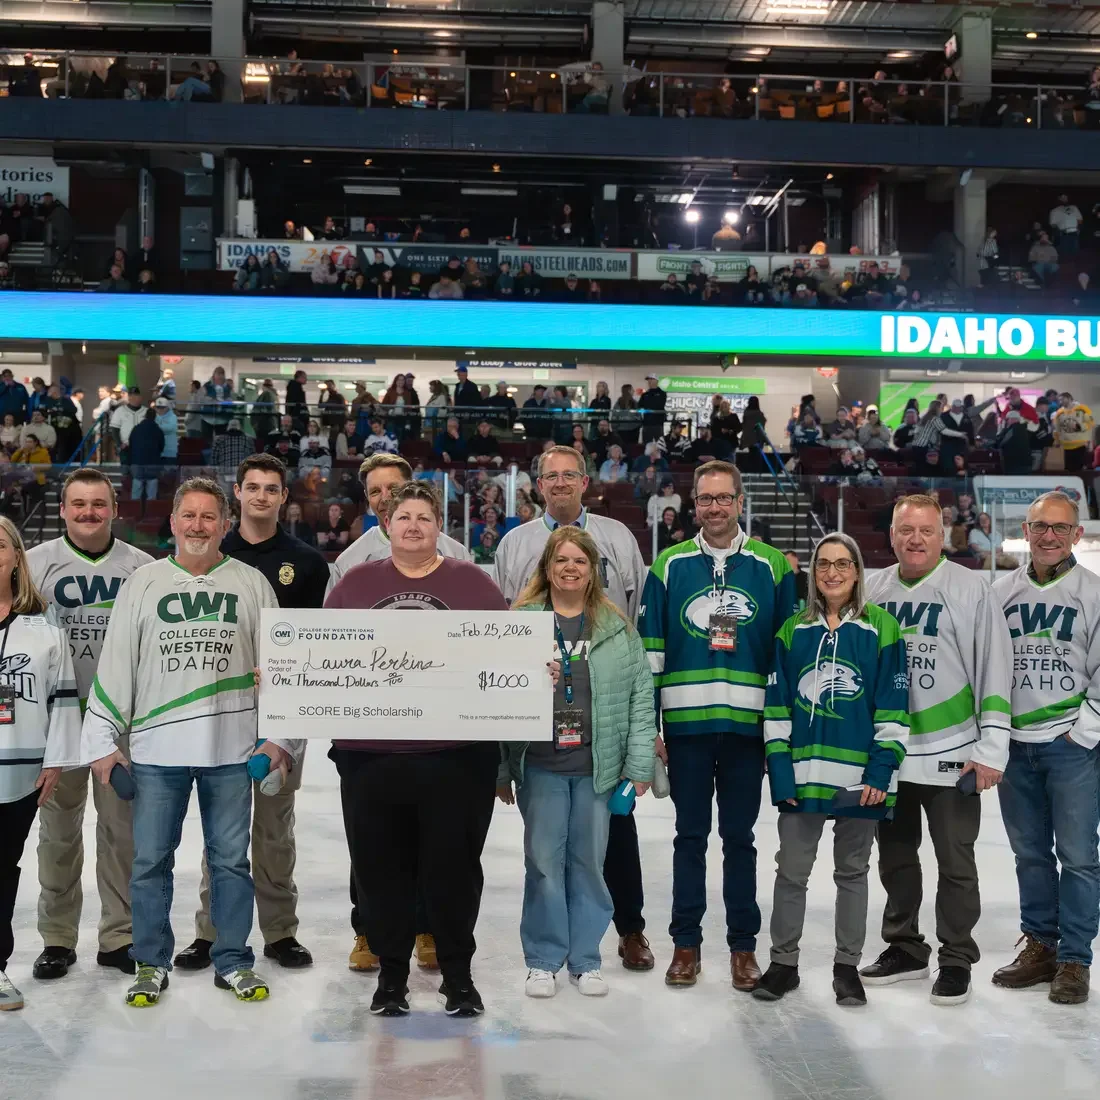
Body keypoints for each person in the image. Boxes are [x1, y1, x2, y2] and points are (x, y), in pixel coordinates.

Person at [81, 477, 302, 1007]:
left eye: (209, 517)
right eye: (190, 516)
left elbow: (283, 669)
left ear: (225, 524)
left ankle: (232, 961)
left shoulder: (251, 584)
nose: (199, 526)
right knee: (150, 862)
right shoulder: (143, 584)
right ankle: (150, 963)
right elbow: (116, 663)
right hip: (157, 752)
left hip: (232, 752)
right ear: (174, 521)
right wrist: (104, 740)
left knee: (230, 861)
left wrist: (279, 738)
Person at [325, 482, 517, 1018]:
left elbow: (508, 654)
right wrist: (285, 678)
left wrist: (534, 670)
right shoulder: (356, 584)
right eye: (402, 516)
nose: (412, 526)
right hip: (372, 758)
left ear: (440, 529)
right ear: (386, 526)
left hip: (455, 758)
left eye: (424, 518)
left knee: (453, 869)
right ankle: (391, 978)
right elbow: (319, 659)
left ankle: (458, 976)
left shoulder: (472, 583)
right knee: (380, 870)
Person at [495, 444, 654, 971]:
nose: (570, 568)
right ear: (538, 484)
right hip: (540, 757)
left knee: (594, 857)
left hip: (598, 755)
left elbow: (636, 690)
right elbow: (494, 672)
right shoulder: (515, 557)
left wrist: (639, 761)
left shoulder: (617, 614)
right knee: (543, 858)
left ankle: (593, 951)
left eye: (570, 475)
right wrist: (501, 763)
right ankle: (544, 957)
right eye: (550, 476)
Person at [639, 461, 796, 991]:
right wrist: (650, 728)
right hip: (684, 729)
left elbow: (785, 658)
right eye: (705, 499)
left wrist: (780, 732)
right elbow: (651, 656)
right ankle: (686, 944)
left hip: (747, 732)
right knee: (688, 836)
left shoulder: (773, 567)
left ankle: (742, 947)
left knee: (740, 838)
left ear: (739, 501)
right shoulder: (668, 566)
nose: (714, 507)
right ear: (693, 503)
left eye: (724, 498)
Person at [172, 456, 328, 976]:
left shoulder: (307, 563)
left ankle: (281, 931)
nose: (261, 496)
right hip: (223, 711)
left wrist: (293, 710)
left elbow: (311, 646)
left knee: (274, 830)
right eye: (252, 487)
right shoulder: (214, 552)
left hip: (281, 714)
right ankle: (210, 931)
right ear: (236, 494)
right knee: (222, 831)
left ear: (285, 497)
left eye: (272, 489)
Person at [859, 494, 1013, 1006]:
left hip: (954, 750)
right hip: (892, 753)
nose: (915, 539)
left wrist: (992, 748)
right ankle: (904, 946)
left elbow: (995, 667)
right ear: (893, 535)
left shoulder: (970, 588)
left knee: (956, 860)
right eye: (906, 530)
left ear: (942, 534)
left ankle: (955, 956)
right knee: (896, 856)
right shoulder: (873, 587)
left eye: (925, 530)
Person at [754, 534, 909, 1007]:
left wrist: (880, 775)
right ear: (813, 573)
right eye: (824, 564)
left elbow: (894, 710)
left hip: (859, 783)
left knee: (853, 873)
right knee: (792, 873)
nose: (833, 573)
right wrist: (781, 774)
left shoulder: (883, 629)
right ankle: (783, 963)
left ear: (858, 572)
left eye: (844, 564)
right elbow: (776, 709)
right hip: (802, 779)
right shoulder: (791, 631)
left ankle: (846, 966)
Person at [991, 491, 1100, 1005]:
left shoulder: (1093, 593)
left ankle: (1075, 959)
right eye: (1040, 527)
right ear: (1026, 531)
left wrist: (1081, 732)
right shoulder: (1002, 591)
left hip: (1069, 745)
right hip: (1014, 747)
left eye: (1060, 527)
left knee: (1078, 857)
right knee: (1029, 854)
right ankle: (1041, 946)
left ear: (1077, 534)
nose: (1049, 536)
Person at [0, 516, 82, 1012]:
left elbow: (63, 694)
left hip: (21, 771)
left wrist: (56, 759)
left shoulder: (42, 624)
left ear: (16, 556)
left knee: (2, 867)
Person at [328, 453, 472, 598]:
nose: (385, 498)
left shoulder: (456, 554)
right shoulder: (348, 562)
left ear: (411, 487)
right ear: (366, 496)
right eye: (375, 491)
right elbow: (333, 618)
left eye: (393, 488)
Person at [127, 408, 166, 504]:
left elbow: (131, 444)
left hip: (137, 461)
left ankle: (135, 512)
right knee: (152, 489)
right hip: (153, 463)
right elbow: (161, 446)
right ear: (155, 418)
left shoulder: (136, 429)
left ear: (144, 416)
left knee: (137, 486)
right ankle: (150, 513)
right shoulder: (158, 430)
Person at [1052, 392, 1094, 473]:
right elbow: (1056, 429)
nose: (1060, 402)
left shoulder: (1083, 409)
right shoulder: (1059, 413)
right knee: (1067, 470)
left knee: (1079, 470)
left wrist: (1079, 427)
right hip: (1065, 446)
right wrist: (1056, 441)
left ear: (1070, 398)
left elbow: (1090, 422)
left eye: (1062, 399)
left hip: (1080, 445)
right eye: (1059, 400)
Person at [638, 375, 667, 443]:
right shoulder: (645, 394)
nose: (649, 381)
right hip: (647, 423)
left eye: (651, 379)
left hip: (658, 423)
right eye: (648, 380)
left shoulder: (662, 393)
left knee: (659, 444)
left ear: (656, 381)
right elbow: (640, 405)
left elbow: (659, 405)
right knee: (646, 444)